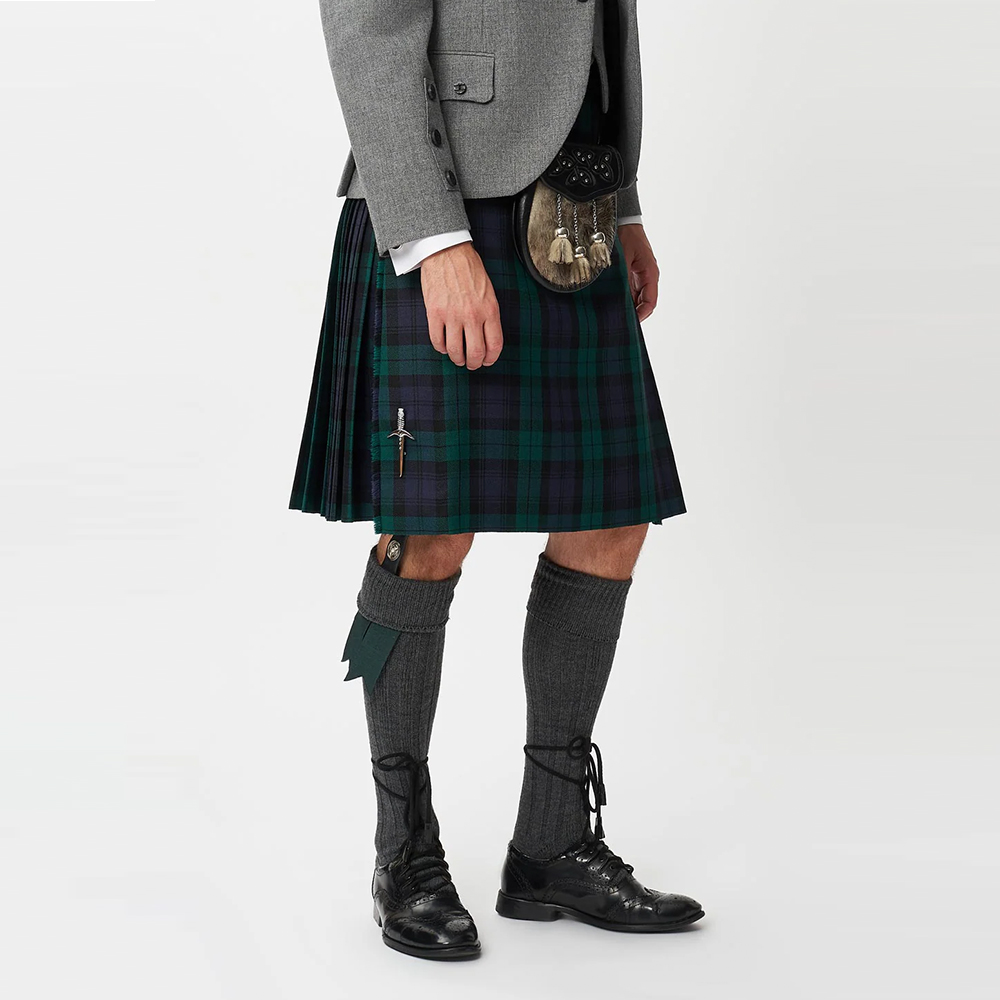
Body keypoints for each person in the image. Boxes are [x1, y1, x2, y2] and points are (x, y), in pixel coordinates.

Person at [289, 0, 704, 960]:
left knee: (612, 518)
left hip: (575, 201)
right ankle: (403, 849)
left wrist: (621, 204)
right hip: (449, 202)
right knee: (426, 531)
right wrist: (433, 241)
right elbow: (368, 31)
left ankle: (551, 843)